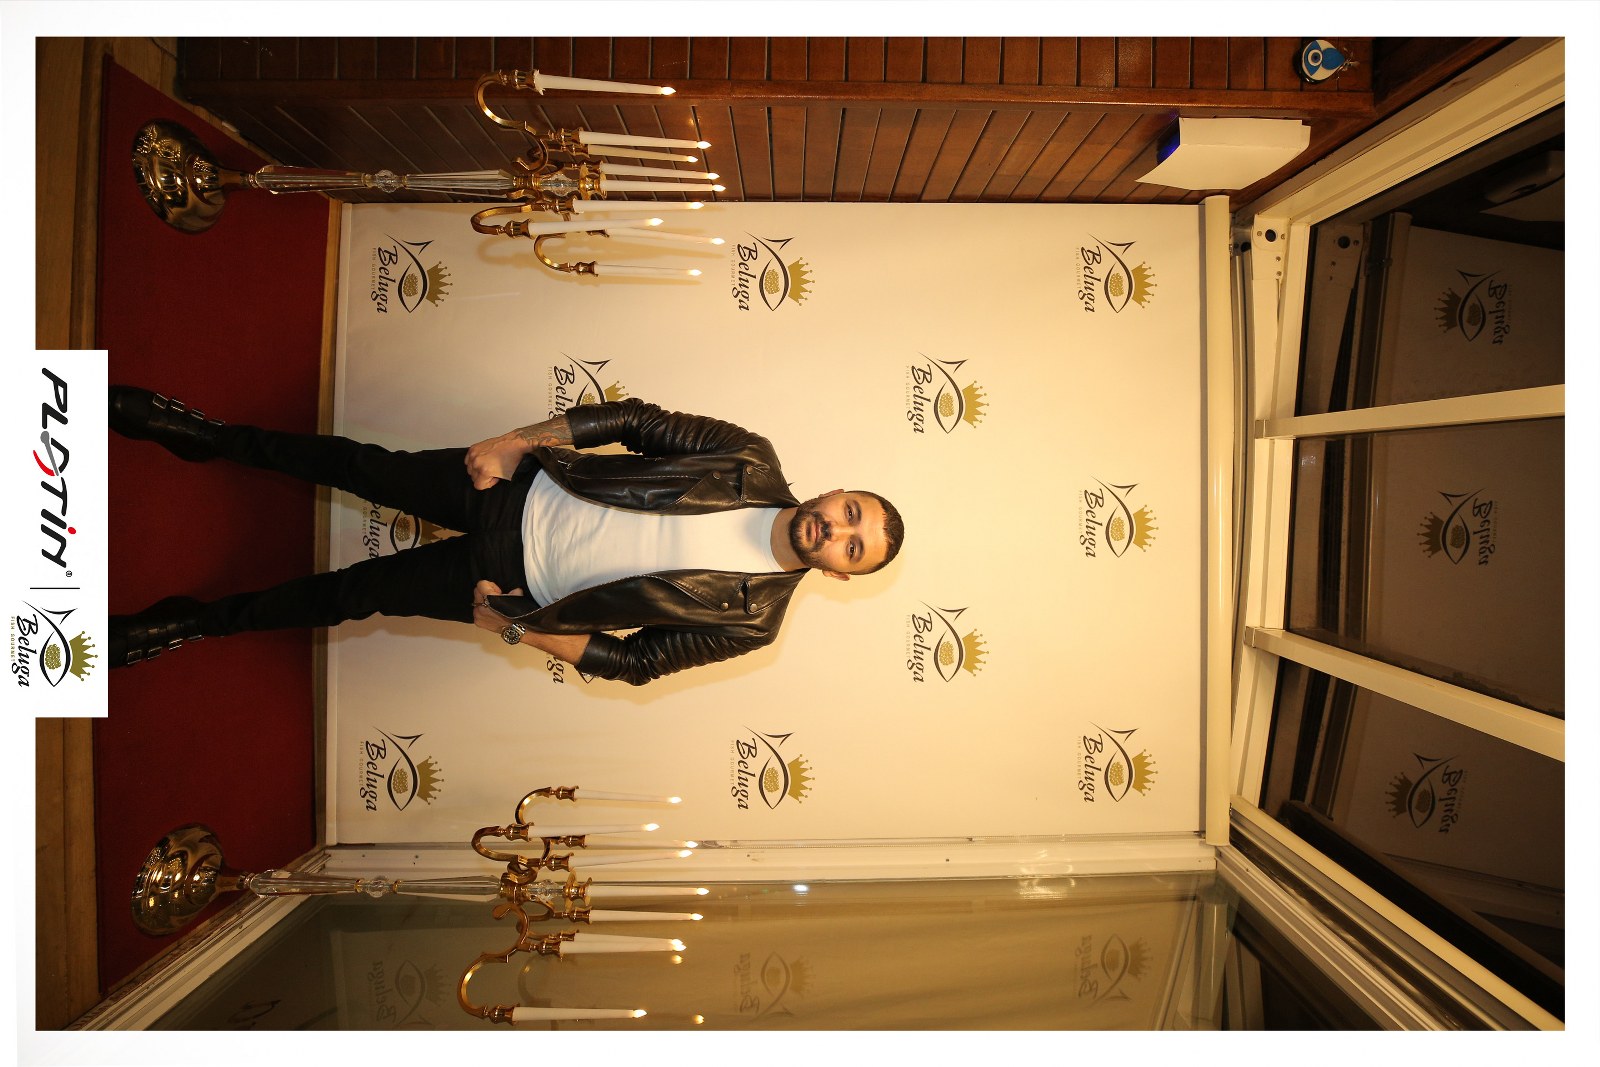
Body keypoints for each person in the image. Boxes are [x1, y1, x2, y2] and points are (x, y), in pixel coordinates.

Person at [108, 387, 905, 684]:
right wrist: (518, 442)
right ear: (836, 491)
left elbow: (633, 662)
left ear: (840, 573)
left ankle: (197, 622)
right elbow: (635, 420)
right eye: (850, 512)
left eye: (852, 545)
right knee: (355, 464)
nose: (836, 529)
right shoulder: (748, 459)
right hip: (519, 485)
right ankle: (208, 435)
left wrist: (517, 627)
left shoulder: (753, 621)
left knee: (350, 596)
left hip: (514, 587)